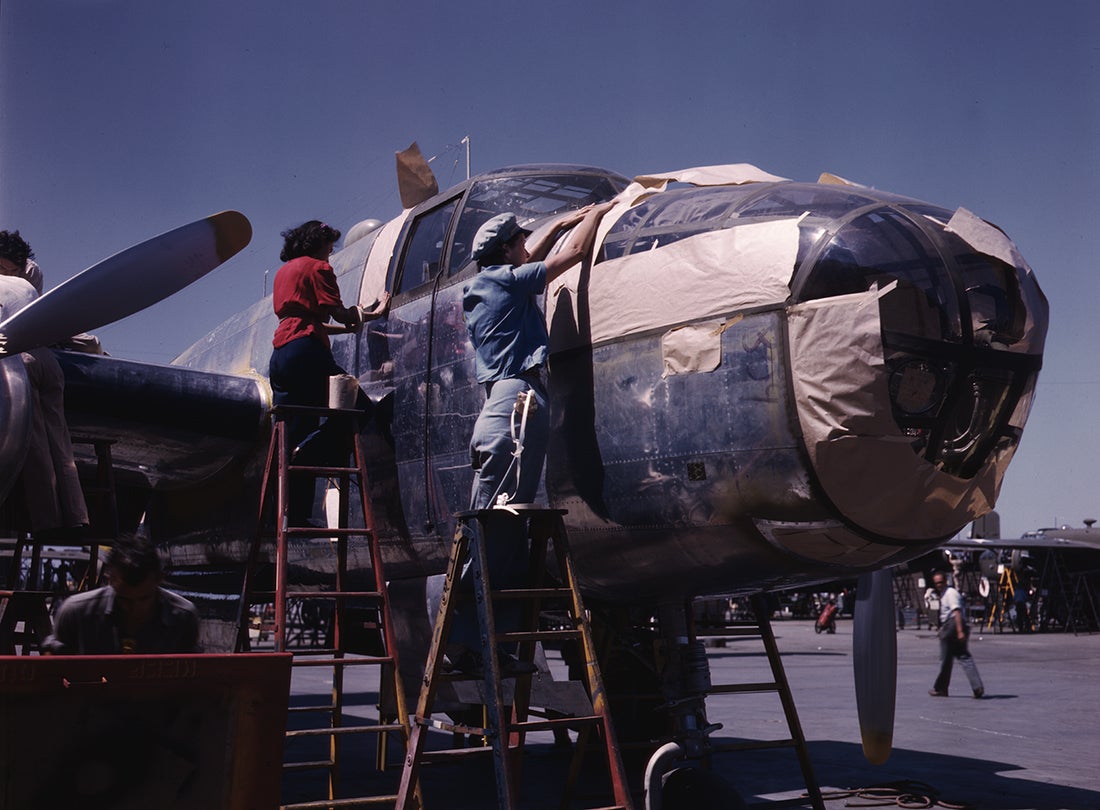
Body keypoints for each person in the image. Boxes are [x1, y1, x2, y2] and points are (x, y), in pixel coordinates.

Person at [446, 203, 612, 675]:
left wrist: (556, 222)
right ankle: (470, 645)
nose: (526, 245)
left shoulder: (487, 282)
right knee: (497, 531)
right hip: (517, 409)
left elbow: (526, 253)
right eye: (519, 240)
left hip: (505, 407)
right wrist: (596, 215)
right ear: (506, 251)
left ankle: (484, 647)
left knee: (503, 532)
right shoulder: (506, 280)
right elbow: (575, 253)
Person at [267, 220, 390, 524]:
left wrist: (354, 324)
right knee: (359, 408)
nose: (330, 254)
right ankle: (308, 454)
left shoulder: (284, 273)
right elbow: (338, 312)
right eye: (329, 247)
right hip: (307, 352)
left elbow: (307, 321)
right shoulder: (318, 268)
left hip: (282, 353)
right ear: (318, 243)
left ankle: (292, 515)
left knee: (296, 428)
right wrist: (369, 313)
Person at [0, 230, 90, 541]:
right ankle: (78, 518)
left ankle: (48, 523)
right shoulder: (27, 283)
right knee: (60, 443)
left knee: (36, 445)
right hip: (50, 363)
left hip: (20, 361)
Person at [43, 535, 201, 654]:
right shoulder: (76, 612)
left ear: (159, 579)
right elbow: (52, 668)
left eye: (144, 599)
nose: (134, 609)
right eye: (125, 600)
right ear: (109, 579)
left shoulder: (183, 617)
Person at [928, 570, 984, 698]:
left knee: (945, 660)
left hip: (952, 626)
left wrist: (959, 631)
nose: (939, 585)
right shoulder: (943, 594)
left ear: (946, 581)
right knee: (963, 656)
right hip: (952, 626)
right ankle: (977, 687)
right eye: (936, 583)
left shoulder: (950, 593)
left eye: (941, 582)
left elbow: (956, 612)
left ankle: (941, 688)